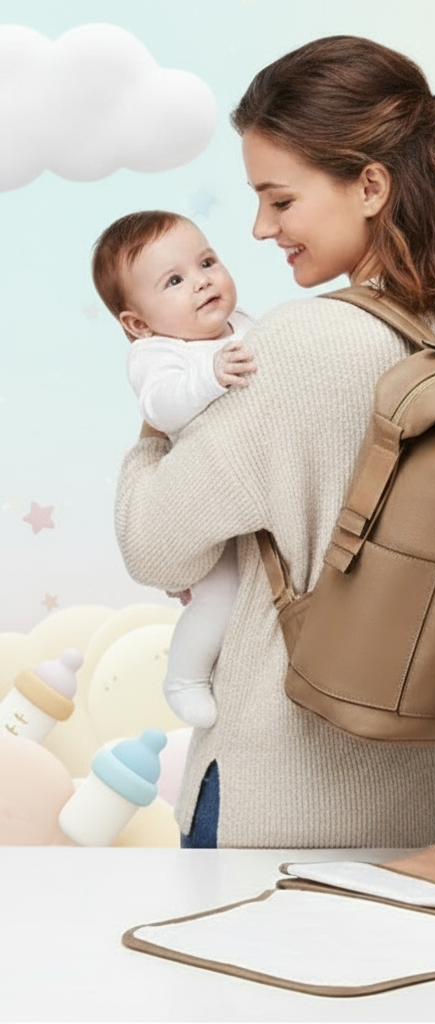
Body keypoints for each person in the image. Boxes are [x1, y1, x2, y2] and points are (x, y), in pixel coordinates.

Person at [114, 35, 435, 849]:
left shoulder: (299, 348)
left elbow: (157, 549)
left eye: (281, 199)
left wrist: (155, 425)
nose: (261, 228)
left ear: (370, 185)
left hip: (281, 805)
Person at [93, 212, 257, 730]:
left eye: (207, 261)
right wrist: (208, 374)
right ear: (138, 324)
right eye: (175, 280)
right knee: (218, 596)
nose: (203, 280)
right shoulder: (156, 354)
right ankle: (184, 677)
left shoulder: (247, 324)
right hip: (203, 498)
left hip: (255, 489)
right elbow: (161, 410)